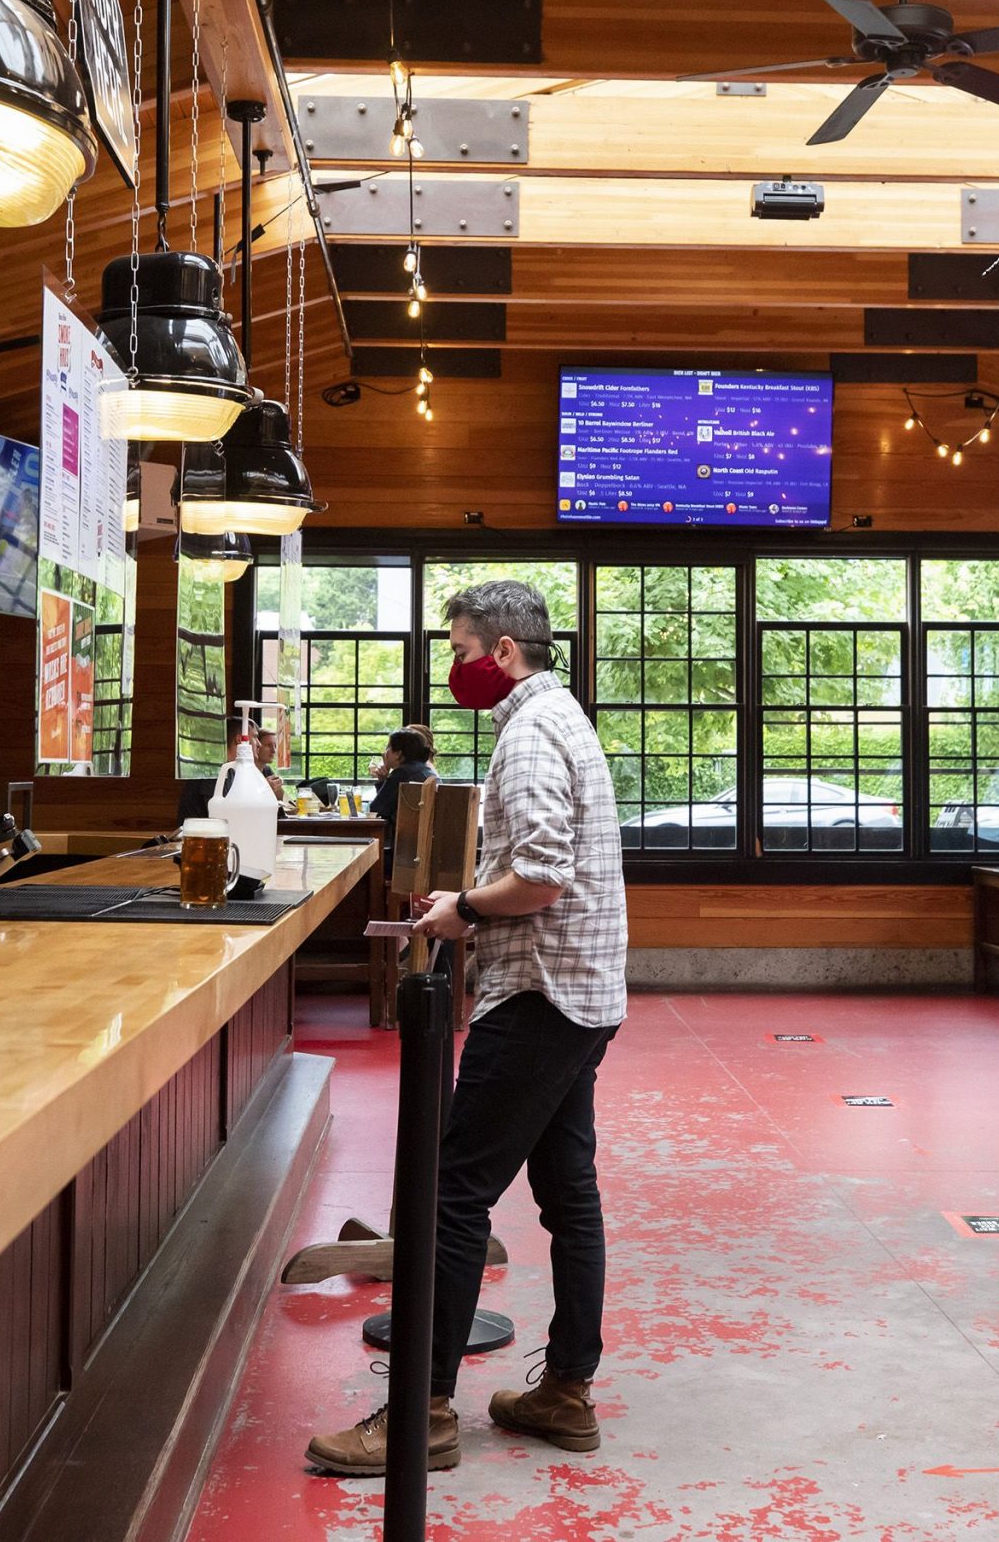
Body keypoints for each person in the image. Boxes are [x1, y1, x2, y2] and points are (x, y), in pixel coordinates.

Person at [307, 580, 627, 1476]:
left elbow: (541, 878)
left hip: (538, 991)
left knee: (452, 1195)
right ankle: (565, 1390)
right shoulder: (563, 715)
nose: (453, 669)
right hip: (584, 994)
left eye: (459, 650)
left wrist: (460, 910)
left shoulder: (527, 735)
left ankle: (422, 1411)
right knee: (569, 1193)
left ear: (503, 652)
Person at [369, 724, 438, 818]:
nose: (384, 753)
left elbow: (376, 810)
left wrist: (384, 780)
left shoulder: (401, 774)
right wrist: (383, 780)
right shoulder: (426, 770)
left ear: (398, 753)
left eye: (388, 747)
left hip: (402, 832)